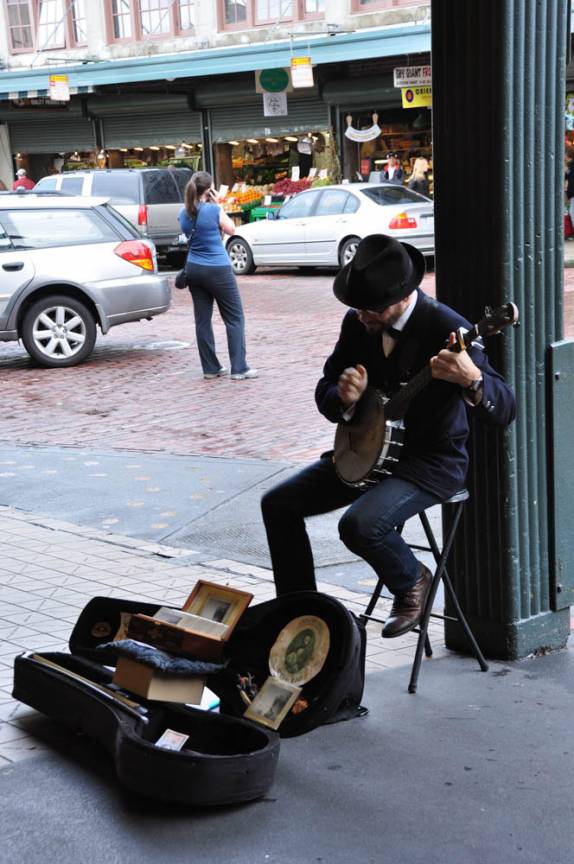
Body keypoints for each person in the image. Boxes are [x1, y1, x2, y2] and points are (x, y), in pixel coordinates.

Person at [261, 234, 515, 638]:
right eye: (355, 306)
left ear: (402, 295)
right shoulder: (357, 323)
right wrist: (343, 397)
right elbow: (325, 387)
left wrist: (473, 380)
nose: (360, 316)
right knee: (277, 504)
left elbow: (505, 409)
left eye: (369, 308)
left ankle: (413, 579)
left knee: (359, 525)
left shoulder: (449, 329)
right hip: (365, 452)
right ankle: (299, 613)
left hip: (430, 462)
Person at [178, 171, 257, 381]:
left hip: (194, 268)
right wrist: (218, 204)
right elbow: (231, 229)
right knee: (234, 317)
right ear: (209, 189)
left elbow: (194, 234)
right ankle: (239, 367)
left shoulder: (183, 213)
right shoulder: (214, 209)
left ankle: (210, 368)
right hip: (218, 268)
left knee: (202, 320)